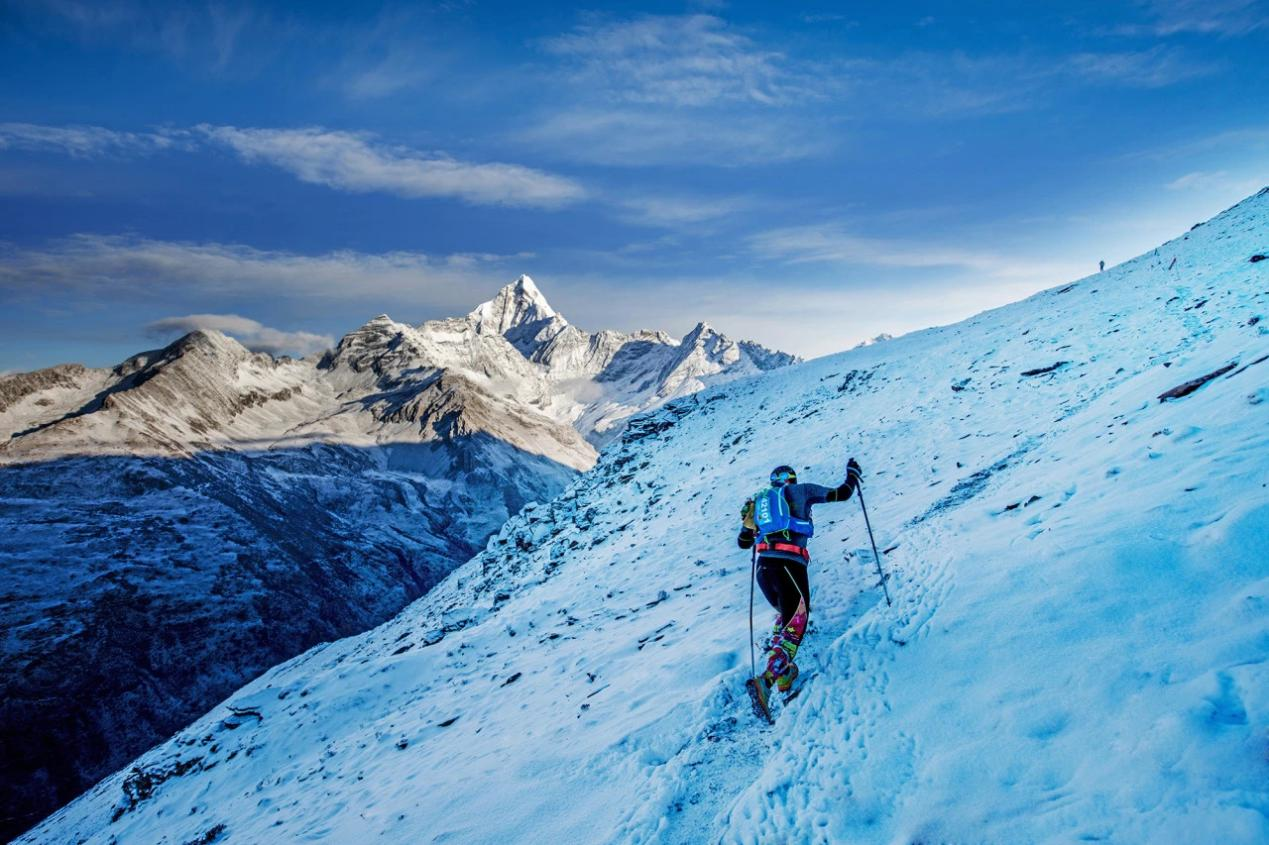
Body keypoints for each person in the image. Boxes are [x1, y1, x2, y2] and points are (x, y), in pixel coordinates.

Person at [738, 459, 862, 704]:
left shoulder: (759, 503)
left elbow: (743, 542)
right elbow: (842, 493)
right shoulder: (802, 490)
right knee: (797, 622)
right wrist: (853, 474)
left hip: (763, 569)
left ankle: (785, 675)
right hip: (790, 564)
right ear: (791, 480)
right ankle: (767, 681)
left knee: (786, 617)